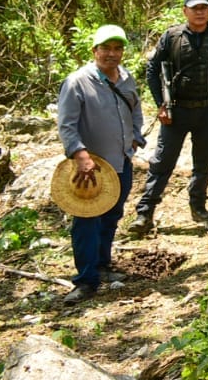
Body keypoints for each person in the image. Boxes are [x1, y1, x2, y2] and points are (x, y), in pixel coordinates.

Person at [57, 25, 145, 303]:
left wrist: (135, 139)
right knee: (86, 220)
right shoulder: (77, 82)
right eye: (105, 48)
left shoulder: (127, 79)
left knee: (112, 214)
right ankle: (85, 280)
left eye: (117, 48)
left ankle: (103, 265)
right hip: (90, 168)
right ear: (94, 50)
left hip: (121, 161)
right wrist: (80, 154)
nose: (111, 54)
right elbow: (67, 125)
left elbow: (136, 110)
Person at [128, 0, 208, 238]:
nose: (200, 12)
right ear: (185, 11)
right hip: (177, 111)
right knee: (162, 162)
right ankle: (145, 213)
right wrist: (161, 104)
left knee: (204, 163)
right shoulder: (172, 36)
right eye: (195, 8)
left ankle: (198, 208)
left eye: (204, 7)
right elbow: (152, 69)